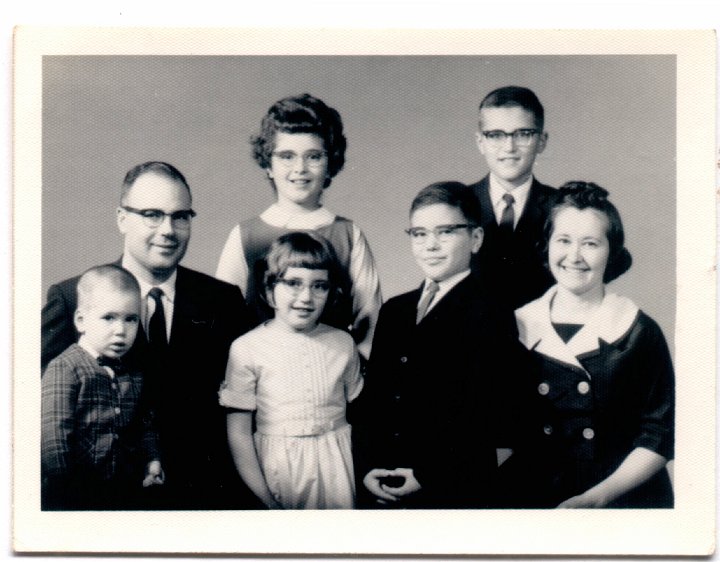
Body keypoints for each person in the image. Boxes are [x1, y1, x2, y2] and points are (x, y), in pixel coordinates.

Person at [41, 161, 258, 509]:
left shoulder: (223, 301)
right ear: (122, 218)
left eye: (180, 216)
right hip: (100, 501)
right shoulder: (71, 298)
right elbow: (31, 406)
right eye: (152, 214)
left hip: (204, 498)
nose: (168, 230)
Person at [352, 181, 528, 509]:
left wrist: (429, 475)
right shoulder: (395, 310)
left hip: (450, 486)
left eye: (445, 232)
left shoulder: (491, 312)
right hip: (383, 479)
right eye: (419, 234)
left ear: (475, 239)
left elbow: (487, 414)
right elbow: (374, 399)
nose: (429, 245)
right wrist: (365, 467)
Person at [513, 181, 674, 508]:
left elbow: (660, 434)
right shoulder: (516, 325)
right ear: (546, 245)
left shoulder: (638, 330)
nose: (574, 256)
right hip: (538, 495)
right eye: (563, 240)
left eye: (590, 243)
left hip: (624, 498)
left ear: (612, 251)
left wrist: (597, 498)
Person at [215, 93, 382, 360]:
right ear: (268, 164)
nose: (300, 168)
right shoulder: (245, 236)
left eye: (313, 156)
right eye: (287, 156)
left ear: (330, 164)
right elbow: (221, 318)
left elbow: (369, 322)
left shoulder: (347, 235)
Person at [220, 232, 363, 509]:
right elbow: (238, 433)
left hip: (337, 465)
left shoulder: (343, 343)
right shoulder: (246, 348)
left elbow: (361, 417)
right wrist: (264, 498)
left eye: (319, 286)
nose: (306, 297)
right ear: (269, 289)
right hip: (278, 466)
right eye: (293, 283)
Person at [42, 265, 164, 510]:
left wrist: (152, 460)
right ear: (81, 320)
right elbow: (54, 437)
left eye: (131, 319)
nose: (120, 331)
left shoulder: (134, 372)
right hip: (75, 495)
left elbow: (144, 425)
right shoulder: (66, 367)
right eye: (108, 318)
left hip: (126, 492)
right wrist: (66, 489)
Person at [469, 85, 556, 312]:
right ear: (480, 142)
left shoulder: (562, 207)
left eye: (523, 134)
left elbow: (615, 259)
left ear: (542, 141)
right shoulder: (457, 204)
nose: (509, 147)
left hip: (544, 342)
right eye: (495, 135)